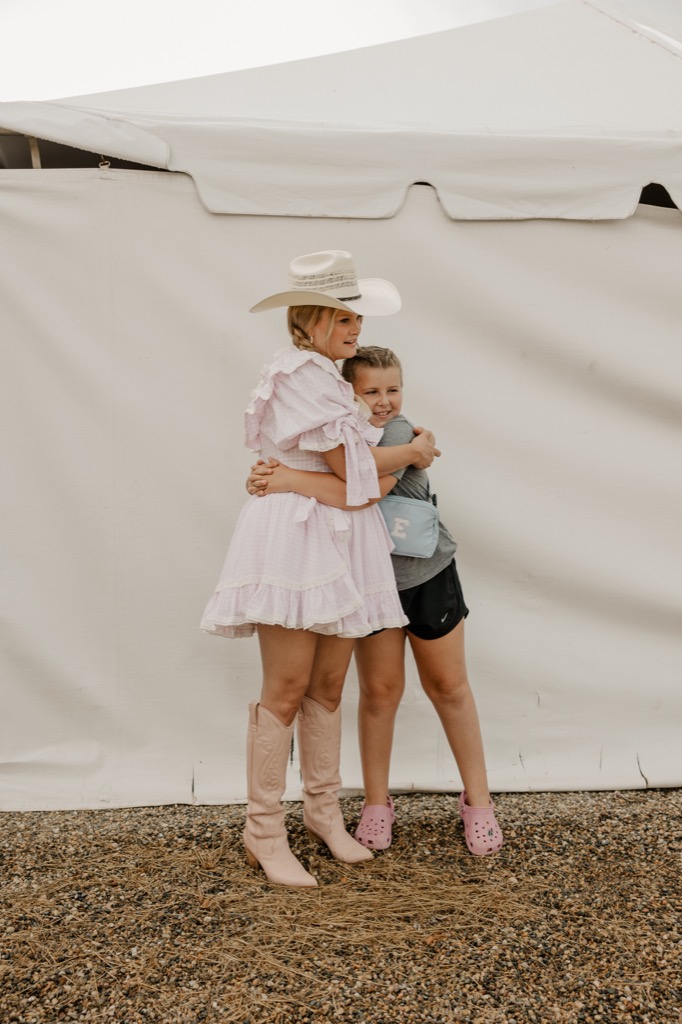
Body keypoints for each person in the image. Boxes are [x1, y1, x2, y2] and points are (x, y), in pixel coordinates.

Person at [200, 253, 440, 888]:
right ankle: (263, 831)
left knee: (329, 686)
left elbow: (362, 485)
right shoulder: (299, 374)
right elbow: (352, 473)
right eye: (342, 315)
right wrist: (411, 451)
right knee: (286, 686)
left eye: (357, 316)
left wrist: (294, 475)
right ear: (309, 319)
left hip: (341, 536)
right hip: (298, 538)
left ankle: (323, 814)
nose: (355, 326)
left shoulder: (332, 379)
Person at [248, 346, 503, 857]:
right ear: (346, 394)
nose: (384, 401)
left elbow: (362, 486)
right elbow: (337, 472)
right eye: (371, 392)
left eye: (393, 389)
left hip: (427, 574)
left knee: (449, 686)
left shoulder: (399, 434)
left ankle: (479, 802)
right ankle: (375, 804)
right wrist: (274, 476)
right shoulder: (340, 431)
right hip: (369, 580)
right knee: (380, 691)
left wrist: (286, 480)